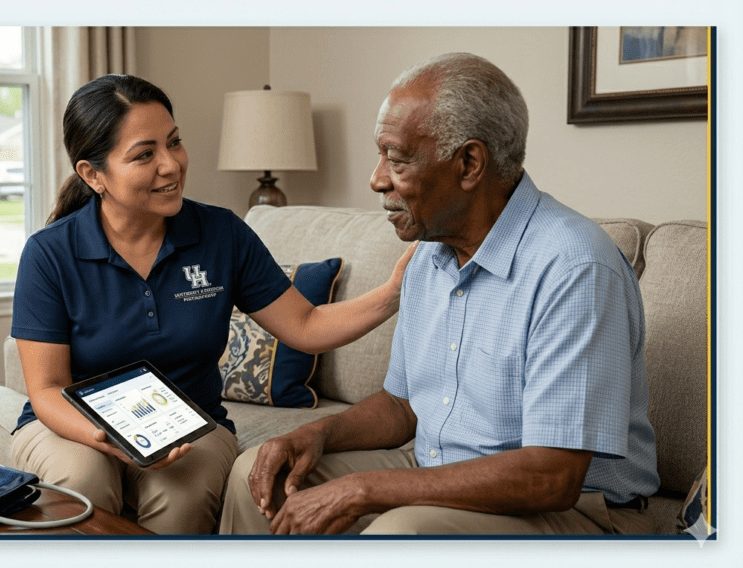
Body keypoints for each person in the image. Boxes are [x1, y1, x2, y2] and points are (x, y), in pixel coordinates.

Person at [219, 52, 660, 536]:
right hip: (434, 469)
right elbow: (404, 405)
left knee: (401, 533)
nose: (376, 178)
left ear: (469, 163)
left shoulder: (575, 268)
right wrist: (314, 433)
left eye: (397, 158)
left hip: (573, 511)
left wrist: (364, 489)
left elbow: (551, 476)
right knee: (256, 475)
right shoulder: (431, 252)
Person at [9, 74, 413, 535]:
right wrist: (110, 438)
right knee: (82, 478)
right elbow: (47, 389)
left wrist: (394, 291)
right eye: (145, 154)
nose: (171, 165)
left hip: (192, 424)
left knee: (181, 492)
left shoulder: (221, 234)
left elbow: (306, 323)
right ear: (93, 174)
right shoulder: (49, 253)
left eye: (174, 143)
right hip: (74, 423)